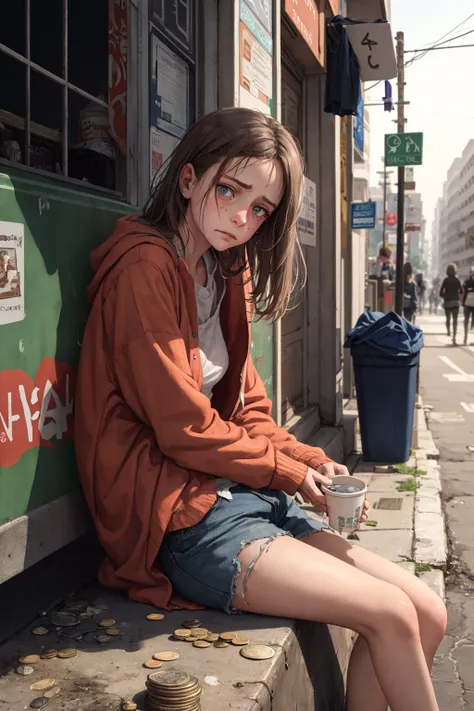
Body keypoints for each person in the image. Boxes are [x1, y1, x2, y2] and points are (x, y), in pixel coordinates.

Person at [74, 107, 446, 711]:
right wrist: (290, 473)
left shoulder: (223, 271)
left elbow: (248, 412)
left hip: (237, 496)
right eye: (230, 190)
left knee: (425, 609)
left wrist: (309, 464)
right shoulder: (143, 266)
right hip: (176, 517)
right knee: (390, 617)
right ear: (189, 179)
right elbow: (183, 426)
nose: (242, 218)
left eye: (261, 208)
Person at [440, 263, 463, 345]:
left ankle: (449, 331)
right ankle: (454, 337)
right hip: (455, 302)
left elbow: (440, 293)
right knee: (455, 320)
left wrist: (445, 296)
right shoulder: (457, 281)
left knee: (448, 319)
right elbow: (461, 291)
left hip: (447, 302)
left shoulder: (445, 280)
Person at [462, 266, 474, 345]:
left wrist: (462, 302)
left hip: (467, 303)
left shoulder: (466, 282)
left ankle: (465, 339)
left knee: (466, 321)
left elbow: (463, 293)